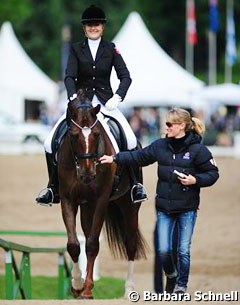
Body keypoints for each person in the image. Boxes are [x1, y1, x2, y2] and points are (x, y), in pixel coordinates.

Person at [36, 4, 147, 206]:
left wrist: (118, 97)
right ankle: (53, 188)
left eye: (96, 25)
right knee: (48, 142)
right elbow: (69, 76)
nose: (93, 28)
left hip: (106, 103)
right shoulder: (76, 49)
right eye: (89, 25)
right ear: (84, 28)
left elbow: (126, 77)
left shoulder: (111, 48)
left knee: (130, 140)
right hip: (80, 104)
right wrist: (71, 97)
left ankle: (136, 186)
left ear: (102, 27)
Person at [100, 107, 219, 294]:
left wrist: (195, 180)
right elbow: (138, 157)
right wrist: (115, 158)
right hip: (164, 208)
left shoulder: (199, 150)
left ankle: (180, 287)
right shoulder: (160, 146)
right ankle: (171, 275)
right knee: (164, 250)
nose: (167, 127)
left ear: (181, 126)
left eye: (170, 124)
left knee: (182, 250)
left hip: (187, 208)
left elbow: (213, 174)